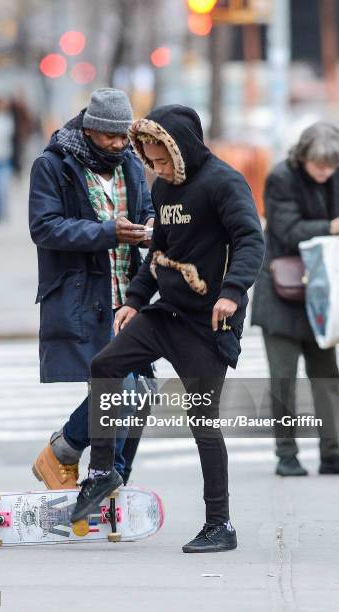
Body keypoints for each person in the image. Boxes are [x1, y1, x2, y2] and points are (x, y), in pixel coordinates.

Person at [70, 104, 265, 553]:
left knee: (202, 421)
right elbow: (158, 251)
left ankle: (220, 524)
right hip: (167, 313)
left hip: (208, 324)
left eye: (162, 160)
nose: (157, 169)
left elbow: (251, 239)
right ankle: (102, 473)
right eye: (152, 162)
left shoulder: (222, 182)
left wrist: (232, 292)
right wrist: (135, 302)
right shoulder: (163, 191)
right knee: (106, 364)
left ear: (183, 149)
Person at [29, 88, 155, 490]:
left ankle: (92, 465)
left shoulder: (131, 165)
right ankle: (82, 463)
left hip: (128, 298)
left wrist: (151, 229)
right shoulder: (53, 166)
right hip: (84, 299)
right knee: (119, 387)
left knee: (141, 393)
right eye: (111, 137)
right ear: (89, 129)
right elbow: (44, 227)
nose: (120, 144)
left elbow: (147, 209)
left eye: (124, 136)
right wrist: (107, 231)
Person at [251, 122, 339, 477]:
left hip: (321, 293)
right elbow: (285, 231)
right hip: (280, 290)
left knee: (328, 377)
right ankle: (286, 454)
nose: (325, 172)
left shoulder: (334, 174)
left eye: (331, 166)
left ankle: (333, 453)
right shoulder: (281, 177)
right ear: (303, 157)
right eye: (319, 165)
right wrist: (330, 226)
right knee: (283, 378)